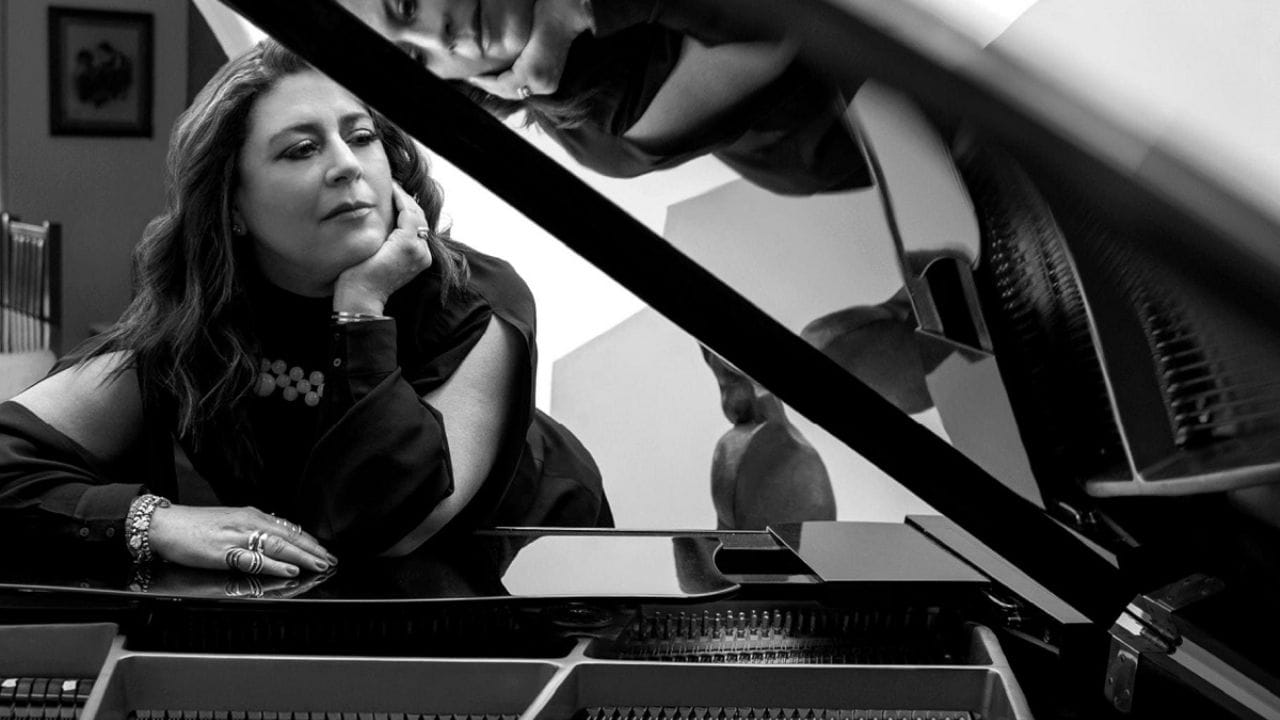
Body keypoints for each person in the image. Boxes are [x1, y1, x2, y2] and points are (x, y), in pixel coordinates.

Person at [0, 40, 611, 580]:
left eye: (361, 136)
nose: (346, 164)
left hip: (540, 585)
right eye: (301, 149)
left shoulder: (476, 300)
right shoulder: (198, 327)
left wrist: (361, 308)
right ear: (232, 205)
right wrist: (154, 521)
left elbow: (388, 527)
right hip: (336, 613)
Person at [334, 0, 873, 195]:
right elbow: (780, 24)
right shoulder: (605, 119)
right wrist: (578, 9)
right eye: (415, 58)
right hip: (866, 121)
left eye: (407, 5)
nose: (440, 39)